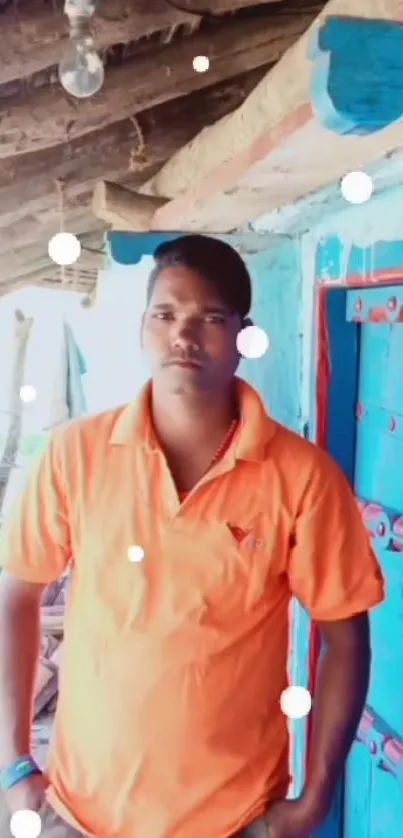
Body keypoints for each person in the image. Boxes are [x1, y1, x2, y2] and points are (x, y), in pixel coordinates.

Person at [0, 234, 384, 838]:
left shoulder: (300, 477)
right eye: (165, 314)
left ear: (242, 334)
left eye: (210, 317)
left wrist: (316, 795)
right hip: (77, 816)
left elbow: (347, 637)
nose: (183, 335)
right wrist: (16, 762)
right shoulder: (77, 454)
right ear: (143, 327)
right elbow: (17, 595)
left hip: (232, 821)